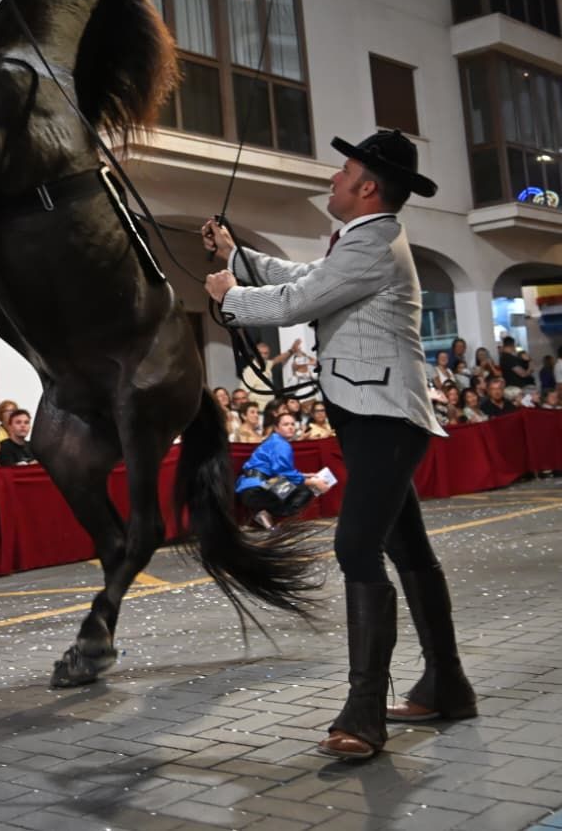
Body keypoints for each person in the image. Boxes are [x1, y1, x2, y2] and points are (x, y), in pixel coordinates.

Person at [202, 128, 475, 762]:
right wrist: (238, 255)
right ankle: (446, 685)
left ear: (368, 187)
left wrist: (230, 297)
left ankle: (364, 714)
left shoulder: (373, 242)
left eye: (344, 171)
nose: (334, 177)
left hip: (383, 418)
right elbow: (309, 277)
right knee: (408, 549)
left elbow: (300, 299)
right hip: (374, 414)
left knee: (357, 546)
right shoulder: (363, 239)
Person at [236, 410, 328, 529]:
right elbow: (284, 474)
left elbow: (277, 471)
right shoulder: (281, 444)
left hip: (250, 488)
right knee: (306, 489)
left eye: (292, 424)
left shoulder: (273, 441)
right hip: (259, 490)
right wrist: (314, 482)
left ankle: (262, 512)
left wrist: (305, 475)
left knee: (299, 483)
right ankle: (269, 514)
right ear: (276, 428)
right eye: (286, 424)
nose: (290, 427)